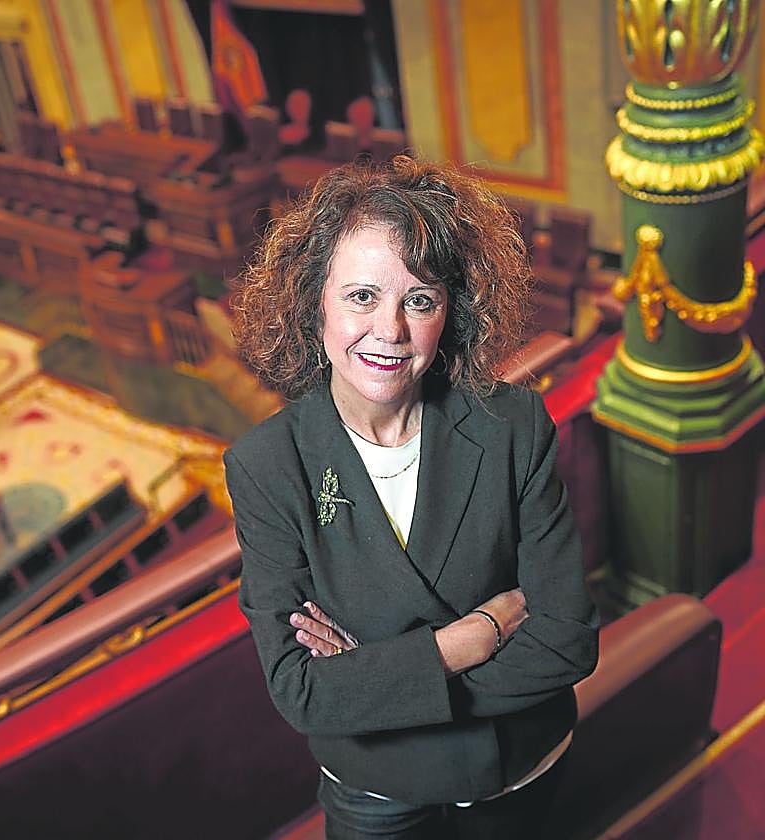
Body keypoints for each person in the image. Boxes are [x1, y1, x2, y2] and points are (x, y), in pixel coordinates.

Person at [223, 157, 599, 840]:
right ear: (315, 305)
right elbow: (302, 692)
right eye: (361, 296)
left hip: (516, 773)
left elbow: (568, 642)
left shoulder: (514, 426)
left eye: (419, 300)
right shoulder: (265, 466)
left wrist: (375, 680)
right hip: (374, 790)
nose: (390, 330)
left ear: (451, 311)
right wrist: (468, 639)